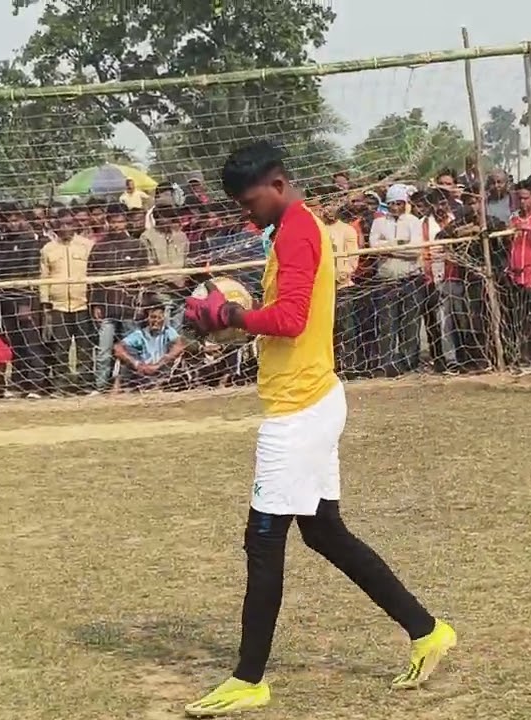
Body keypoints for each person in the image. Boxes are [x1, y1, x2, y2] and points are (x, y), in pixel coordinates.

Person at [181, 141, 455, 717]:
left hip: (299, 410)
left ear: (277, 185)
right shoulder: (292, 228)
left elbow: (289, 319)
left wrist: (232, 316)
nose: (244, 212)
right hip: (312, 398)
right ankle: (428, 632)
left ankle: (249, 679)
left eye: (248, 200)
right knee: (324, 532)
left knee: (263, 541)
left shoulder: (299, 232)